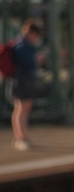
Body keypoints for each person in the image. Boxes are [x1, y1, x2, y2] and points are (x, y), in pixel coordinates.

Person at [7, 20, 44, 151]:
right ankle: (20, 138)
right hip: (21, 80)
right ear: (32, 33)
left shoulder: (20, 43)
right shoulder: (22, 45)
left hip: (21, 80)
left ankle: (22, 136)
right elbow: (25, 62)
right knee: (21, 108)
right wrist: (36, 59)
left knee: (23, 108)